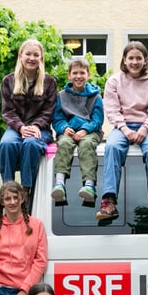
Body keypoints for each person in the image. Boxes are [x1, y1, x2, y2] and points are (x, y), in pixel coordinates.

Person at [97, 40, 148, 222]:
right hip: (122, 127)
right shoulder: (114, 81)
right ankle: (109, 201)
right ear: (124, 59)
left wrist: (144, 129)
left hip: (146, 127)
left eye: (139, 58)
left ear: (145, 60)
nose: (135, 62)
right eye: (131, 58)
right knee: (112, 147)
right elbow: (112, 110)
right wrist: (125, 129)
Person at [0, 38, 58, 200]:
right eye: (28, 54)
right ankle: (8, 188)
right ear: (20, 56)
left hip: (41, 129)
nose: (32, 58)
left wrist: (36, 126)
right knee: (6, 145)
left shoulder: (50, 82)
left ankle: (26, 190)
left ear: (41, 58)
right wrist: (21, 128)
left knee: (31, 144)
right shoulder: (8, 81)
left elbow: (49, 111)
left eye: (36, 55)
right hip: (16, 128)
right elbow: (8, 112)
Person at [51, 57, 104, 206]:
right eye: (75, 73)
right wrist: (63, 128)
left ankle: (89, 185)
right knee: (64, 144)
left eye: (82, 73)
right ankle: (60, 183)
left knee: (86, 145)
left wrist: (84, 130)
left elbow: (97, 120)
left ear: (88, 74)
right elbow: (57, 118)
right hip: (68, 131)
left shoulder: (96, 96)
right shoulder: (61, 96)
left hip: (90, 131)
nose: (78, 76)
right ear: (69, 75)